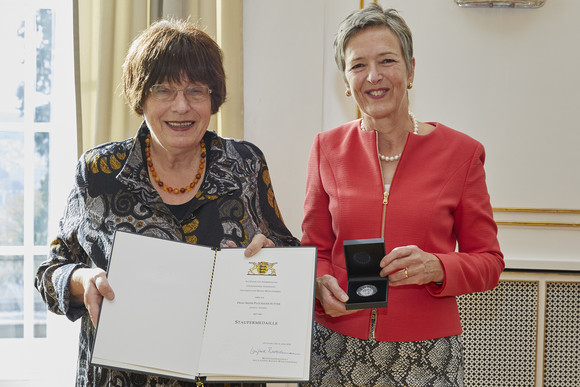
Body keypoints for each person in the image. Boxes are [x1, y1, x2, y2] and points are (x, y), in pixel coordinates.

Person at [35, 19, 298, 387]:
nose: (181, 106)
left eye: (195, 90)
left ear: (213, 98)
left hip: (225, 376)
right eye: (163, 90)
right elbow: (51, 272)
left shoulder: (245, 164)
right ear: (140, 96)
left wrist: (270, 260)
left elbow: (289, 256)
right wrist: (83, 278)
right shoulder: (98, 173)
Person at [300, 4, 504, 387]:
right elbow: (316, 247)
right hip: (335, 345)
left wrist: (438, 267)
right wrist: (318, 284)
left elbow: (489, 262)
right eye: (358, 65)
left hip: (427, 352)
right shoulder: (326, 148)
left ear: (411, 70)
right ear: (346, 80)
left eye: (387, 60)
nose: (373, 76)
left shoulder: (461, 153)